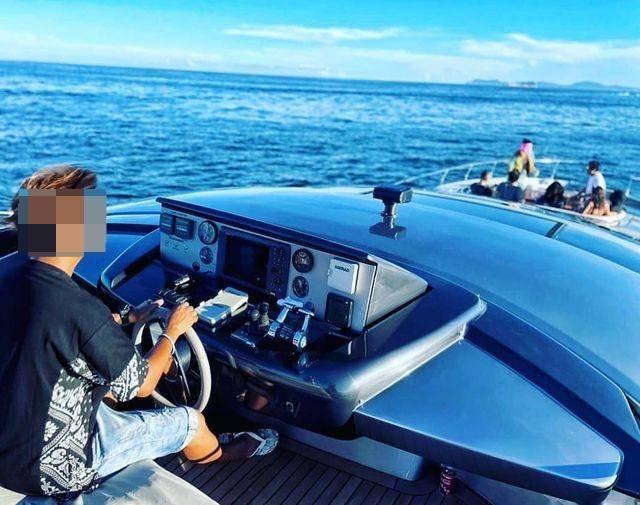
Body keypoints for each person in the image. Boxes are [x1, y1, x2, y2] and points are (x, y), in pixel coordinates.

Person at [0, 165, 277, 498]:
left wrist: (127, 318)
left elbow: (53, 329)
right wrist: (172, 332)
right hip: (55, 471)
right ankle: (221, 454)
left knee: (105, 390)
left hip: (9, 450)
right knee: (191, 421)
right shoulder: (80, 309)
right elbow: (142, 385)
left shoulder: (10, 275)